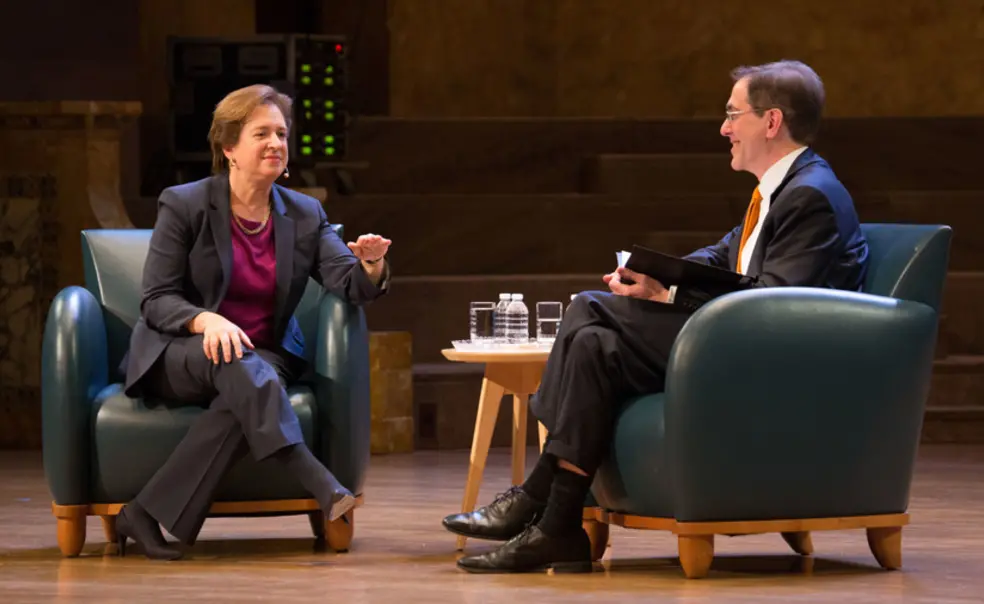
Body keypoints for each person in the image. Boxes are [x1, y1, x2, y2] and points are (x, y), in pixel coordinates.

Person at [442, 60, 869, 573]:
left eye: (733, 115)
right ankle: (558, 528)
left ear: (771, 121)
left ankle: (535, 494)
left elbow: (772, 306)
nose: (724, 128)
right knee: (592, 347)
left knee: (586, 307)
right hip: (737, 344)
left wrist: (668, 299)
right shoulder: (781, 190)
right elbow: (722, 256)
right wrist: (655, 274)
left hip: (771, 364)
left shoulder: (812, 196)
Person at [115, 84, 391, 560]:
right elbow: (156, 300)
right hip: (180, 353)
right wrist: (205, 320)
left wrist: (370, 265)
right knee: (241, 366)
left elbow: (348, 284)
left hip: (260, 358)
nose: (275, 144)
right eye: (261, 133)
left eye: (281, 134)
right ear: (229, 148)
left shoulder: (305, 214)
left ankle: (140, 512)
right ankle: (316, 479)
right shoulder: (184, 204)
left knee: (247, 380)